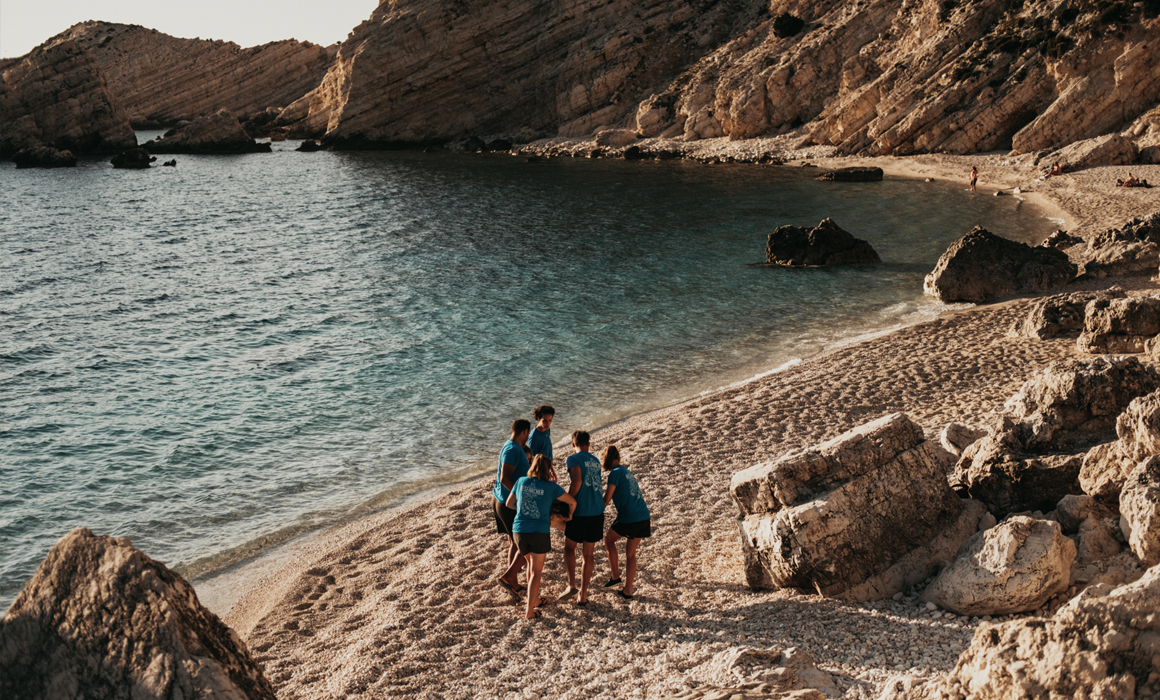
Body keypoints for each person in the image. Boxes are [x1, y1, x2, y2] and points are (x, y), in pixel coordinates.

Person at [505, 455, 576, 619]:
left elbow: (509, 504)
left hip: (519, 531)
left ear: (532, 466)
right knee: (537, 572)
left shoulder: (521, 481)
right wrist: (569, 515)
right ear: (548, 469)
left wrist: (525, 509)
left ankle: (535, 599)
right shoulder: (551, 486)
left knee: (530, 563)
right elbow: (572, 502)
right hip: (538, 531)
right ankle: (529, 611)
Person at [559, 431, 604, 605]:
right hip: (597, 511)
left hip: (580, 511)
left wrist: (568, 502)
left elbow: (577, 482)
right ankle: (583, 595)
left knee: (570, 548)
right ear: (589, 444)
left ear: (573, 444)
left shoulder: (573, 459)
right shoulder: (596, 461)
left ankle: (572, 585)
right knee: (588, 554)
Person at [601, 445, 651, 600]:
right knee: (630, 554)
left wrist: (594, 510)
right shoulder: (627, 472)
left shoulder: (614, 474)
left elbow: (607, 500)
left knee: (609, 540)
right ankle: (627, 590)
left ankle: (615, 576)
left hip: (629, 517)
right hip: (643, 516)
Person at [493, 419, 531, 601]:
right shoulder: (512, 449)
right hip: (508, 504)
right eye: (528, 433)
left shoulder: (511, 447)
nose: (528, 437)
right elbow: (504, 478)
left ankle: (513, 582)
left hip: (504, 501)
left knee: (515, 543)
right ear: (524, 431)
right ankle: (508, 578)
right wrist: (519, 498)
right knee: (525, 543)